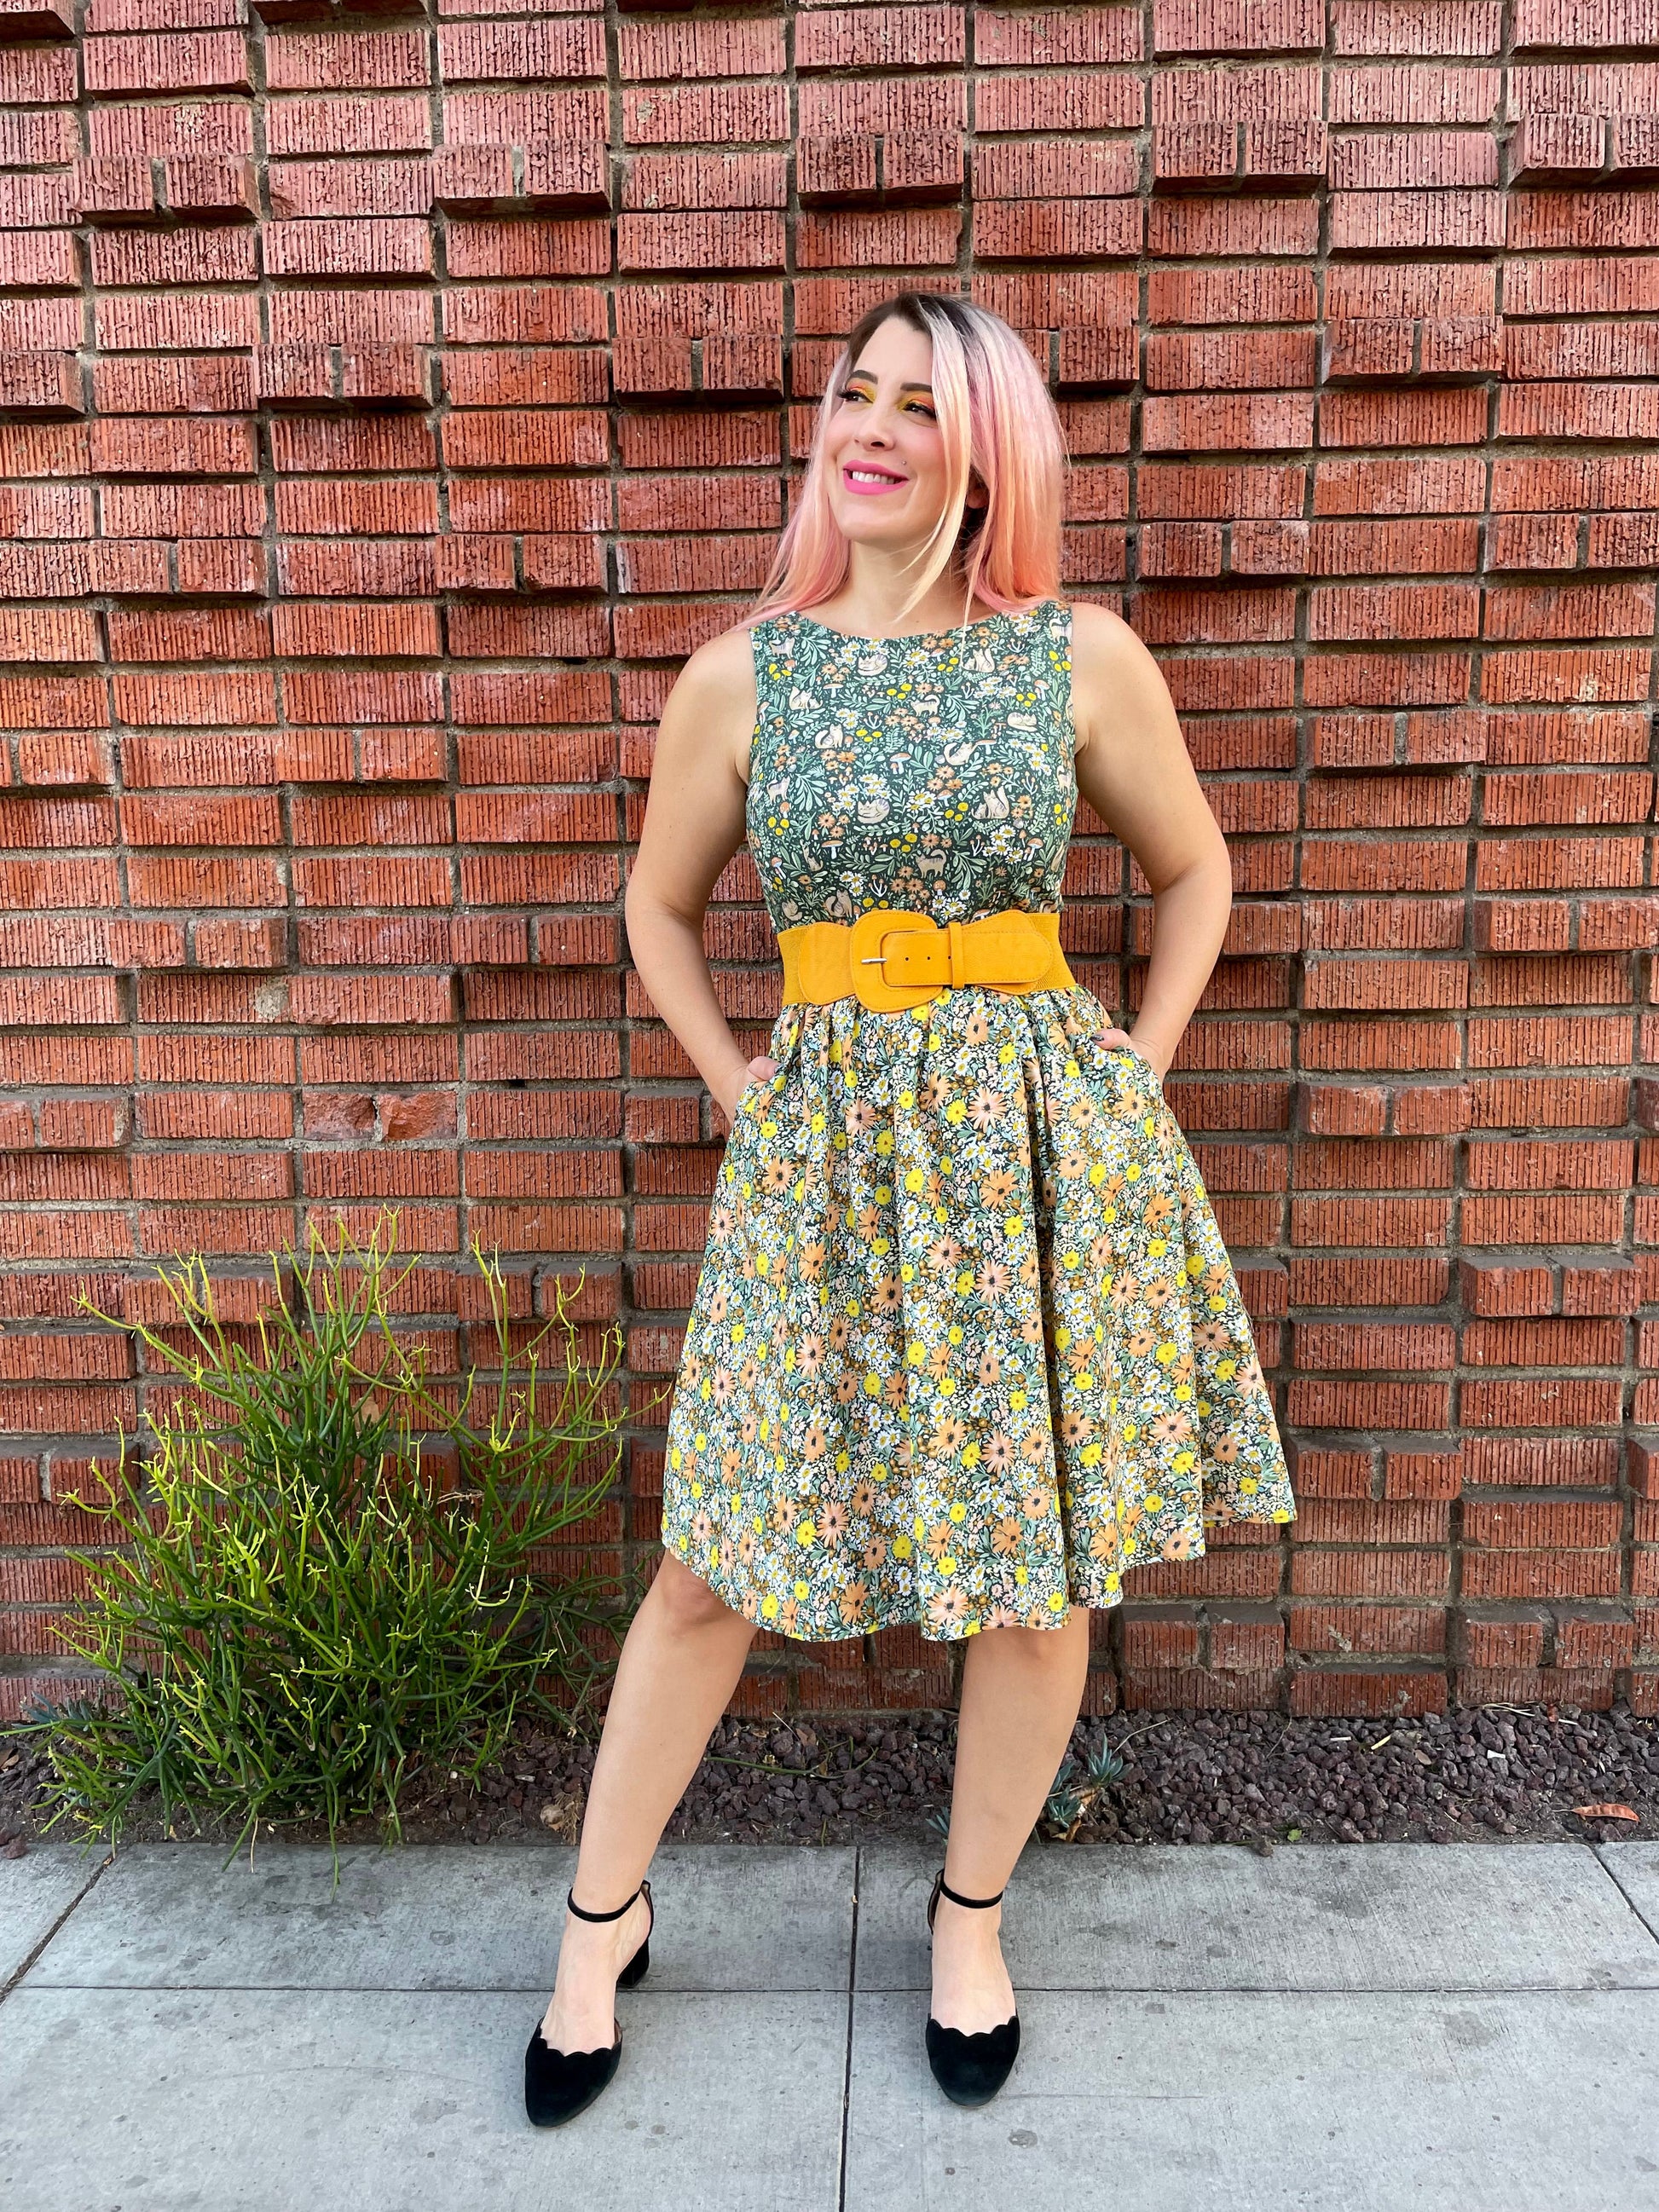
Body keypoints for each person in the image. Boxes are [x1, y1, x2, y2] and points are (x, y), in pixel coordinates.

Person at [526, 289, 1296, 2127]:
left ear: (986, 448)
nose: (865, 427)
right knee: (713, 1550)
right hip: (828, 1160)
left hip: (1036, 1151)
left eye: (915, 403)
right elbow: (657, 904)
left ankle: (969, 1918)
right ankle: (594, 1925)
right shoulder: (744, 676)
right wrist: (737, 1084)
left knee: (1030, 1565)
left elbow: (1192, 870)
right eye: (851, 395)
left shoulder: (1073, 657)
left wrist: (1132, 1065)